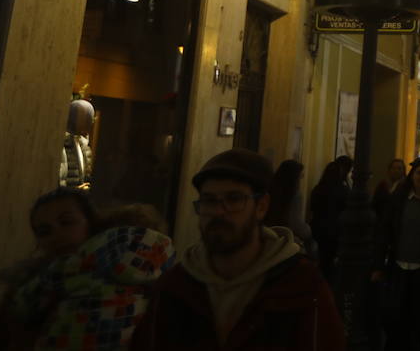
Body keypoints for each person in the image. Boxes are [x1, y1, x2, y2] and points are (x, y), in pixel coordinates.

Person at [131, 148, 343, 350]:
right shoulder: (175, 287)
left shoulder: (301, 284)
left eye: (234, 199)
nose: (219, 212)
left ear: (261, 207)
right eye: (209, 201)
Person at [0, 188, 175, 351]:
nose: (56, 235)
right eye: (44, 231)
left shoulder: (134, 277)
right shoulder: (27, 289)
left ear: (93, 223)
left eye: (66, 222)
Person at [369, 157, 420, 351]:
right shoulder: (399, 200)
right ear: (412, 176)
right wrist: (378, 266)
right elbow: (385, 232)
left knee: (418, 319)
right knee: (393, 317)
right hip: (398, 268)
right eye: (419, 173)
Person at [308, 157, 351, 280]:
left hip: (318, 229)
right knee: (330, 263)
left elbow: (313, 209)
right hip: (335, 232)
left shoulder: (317, 189)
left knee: (321, 261)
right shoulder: (343, 191)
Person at [266, 160, 315, 255]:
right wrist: (308, 231)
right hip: (288, 237)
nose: (301, 179)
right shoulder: (295, 195)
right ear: (295, 178)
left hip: (270, 234)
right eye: (301, 176)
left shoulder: (271, 189)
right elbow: (296, 223)